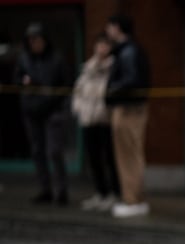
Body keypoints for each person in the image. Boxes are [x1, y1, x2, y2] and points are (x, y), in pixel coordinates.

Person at [14, 22, 70, 205]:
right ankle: (45, 189)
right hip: (32, 111)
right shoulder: (24, 59)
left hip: (53, 111)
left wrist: (60, 107)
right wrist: (24, 83)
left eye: (37, 40)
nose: (34, 44)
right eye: (31, 40)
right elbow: (16, 79)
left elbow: (66, 85)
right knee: (38, 151)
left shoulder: (56, 58)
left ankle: (61, 191)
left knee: (54, 151)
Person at [105, 14, 151, 219]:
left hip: (127, 109)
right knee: (133, 153)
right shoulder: (131, 49)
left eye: (110, 27)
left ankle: (131, 199)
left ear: (117, 28)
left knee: (127, 155)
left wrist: (111, 90)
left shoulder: (128, 51)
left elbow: (131, 79)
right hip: (134, 108)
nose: (108, 31)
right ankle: (135, 198)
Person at [72, 32, 121, 211]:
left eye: (105, 45)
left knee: (110, 158)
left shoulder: (114, 67)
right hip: (88, 119)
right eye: (99, 44)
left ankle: (115, 194)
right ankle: (101, 193)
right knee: (94, 159)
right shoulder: (88, 67)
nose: (102, 49)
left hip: (106, 120)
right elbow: (78, 91)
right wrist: (79, 110)